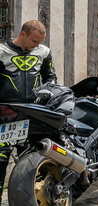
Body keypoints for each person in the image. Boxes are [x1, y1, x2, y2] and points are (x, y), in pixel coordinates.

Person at [0, 20, 57, 197]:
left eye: (40, 41)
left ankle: (32, 198)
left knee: (32, 161)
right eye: (34, 41)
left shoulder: (44, 52)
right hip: (5, 115)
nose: (37, 45)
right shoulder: (1, 52)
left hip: (33, 114)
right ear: (22, 34)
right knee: (1, 160)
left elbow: (50, 78)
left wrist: (46, 93)